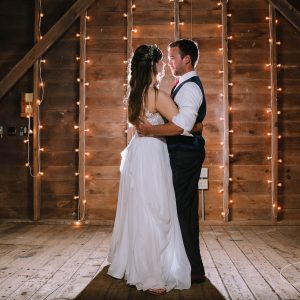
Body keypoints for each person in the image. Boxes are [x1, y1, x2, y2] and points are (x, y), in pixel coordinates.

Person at [107, 44, 191, 295]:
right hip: (152, 153)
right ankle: (152, 274)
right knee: (156, 211)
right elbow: (182, 123)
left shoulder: (135, 93)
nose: (165, 65)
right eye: (161, 62)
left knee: (141, 208)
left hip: (138, 152)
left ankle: (140, 264)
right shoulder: (156, 95)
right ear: (154, 65)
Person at [136, 39, 206, 283]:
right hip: (177, 154)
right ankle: (188, 267)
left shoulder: (190, 88)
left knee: (179, 211)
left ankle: (190, 269)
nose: (169, 62)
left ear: (187, 59)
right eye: (165, 58)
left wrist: (150, 131)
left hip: (185, 155)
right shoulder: (178, 86)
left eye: (173, 57)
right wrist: (196, 125)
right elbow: (188, 124)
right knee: (179, 211)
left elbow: (181, 126)